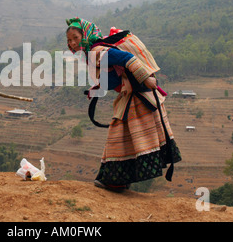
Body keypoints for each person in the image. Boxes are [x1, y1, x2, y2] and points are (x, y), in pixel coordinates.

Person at [66, 17, 181, 192]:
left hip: (138, 97)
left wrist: (146, 78)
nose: (73, 43)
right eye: (69, 40)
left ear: (85, 35)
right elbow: (113, 75)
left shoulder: (96, 51)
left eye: (75, 37)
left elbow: (127, 58)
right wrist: (96, 88)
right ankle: (119, 181)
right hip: (132, 96)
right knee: (123, 138)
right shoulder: (92, 54)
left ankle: (115, 181)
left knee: (118, 137)